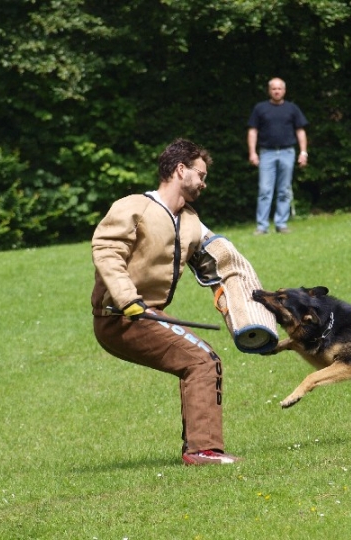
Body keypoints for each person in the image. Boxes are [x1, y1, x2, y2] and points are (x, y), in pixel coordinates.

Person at [91, 138, 242, 466]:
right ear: (180, 169)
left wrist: (236, 305)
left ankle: (200, 448)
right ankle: (202, 451)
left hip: (148, 313)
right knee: (202, 361)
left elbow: (213, 261)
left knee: (202, 361)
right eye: (200, 174)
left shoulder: (190, 219)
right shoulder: (134, 206)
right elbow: (106, 250)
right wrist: (128, 299)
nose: (204, 182)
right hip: (119, 314)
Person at [247, 77, 309, 235]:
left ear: (284, 90)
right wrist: (252, 152)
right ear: (269, 91)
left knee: (284, 190)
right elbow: (252, 131)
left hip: (288, 152)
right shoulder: (260, 108)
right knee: (265, 190)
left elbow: (300, 131)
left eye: (279, 88)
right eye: (273, 88)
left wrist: (303, 152)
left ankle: (281, 224)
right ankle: (262, 226)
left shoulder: (292, 108)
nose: (276, 91)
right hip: (266, 153)